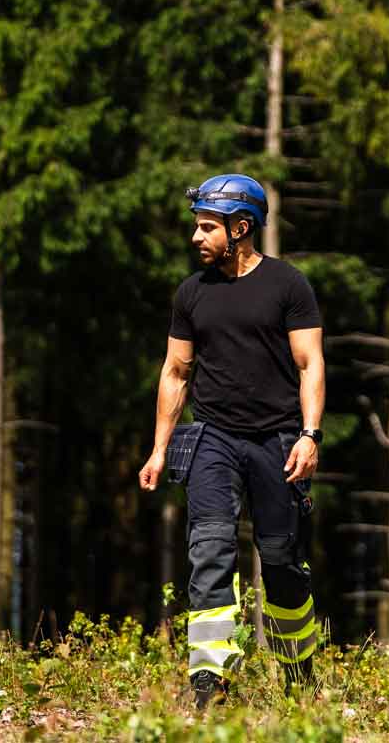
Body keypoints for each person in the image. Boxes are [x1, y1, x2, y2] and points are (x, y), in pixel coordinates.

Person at [139, 173, 325, 707]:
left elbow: (310, 364)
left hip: (279, 440)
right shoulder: (190, 294)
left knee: (283, 562)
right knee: (210, 551)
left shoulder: (289, 286)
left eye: (207, 227)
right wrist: (158, 449)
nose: (196, 237)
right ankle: (209, 680)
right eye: (196, 227)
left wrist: (309, 435)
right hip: (212, 439)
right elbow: (175, 373)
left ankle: (297, 677)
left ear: (241, 228)